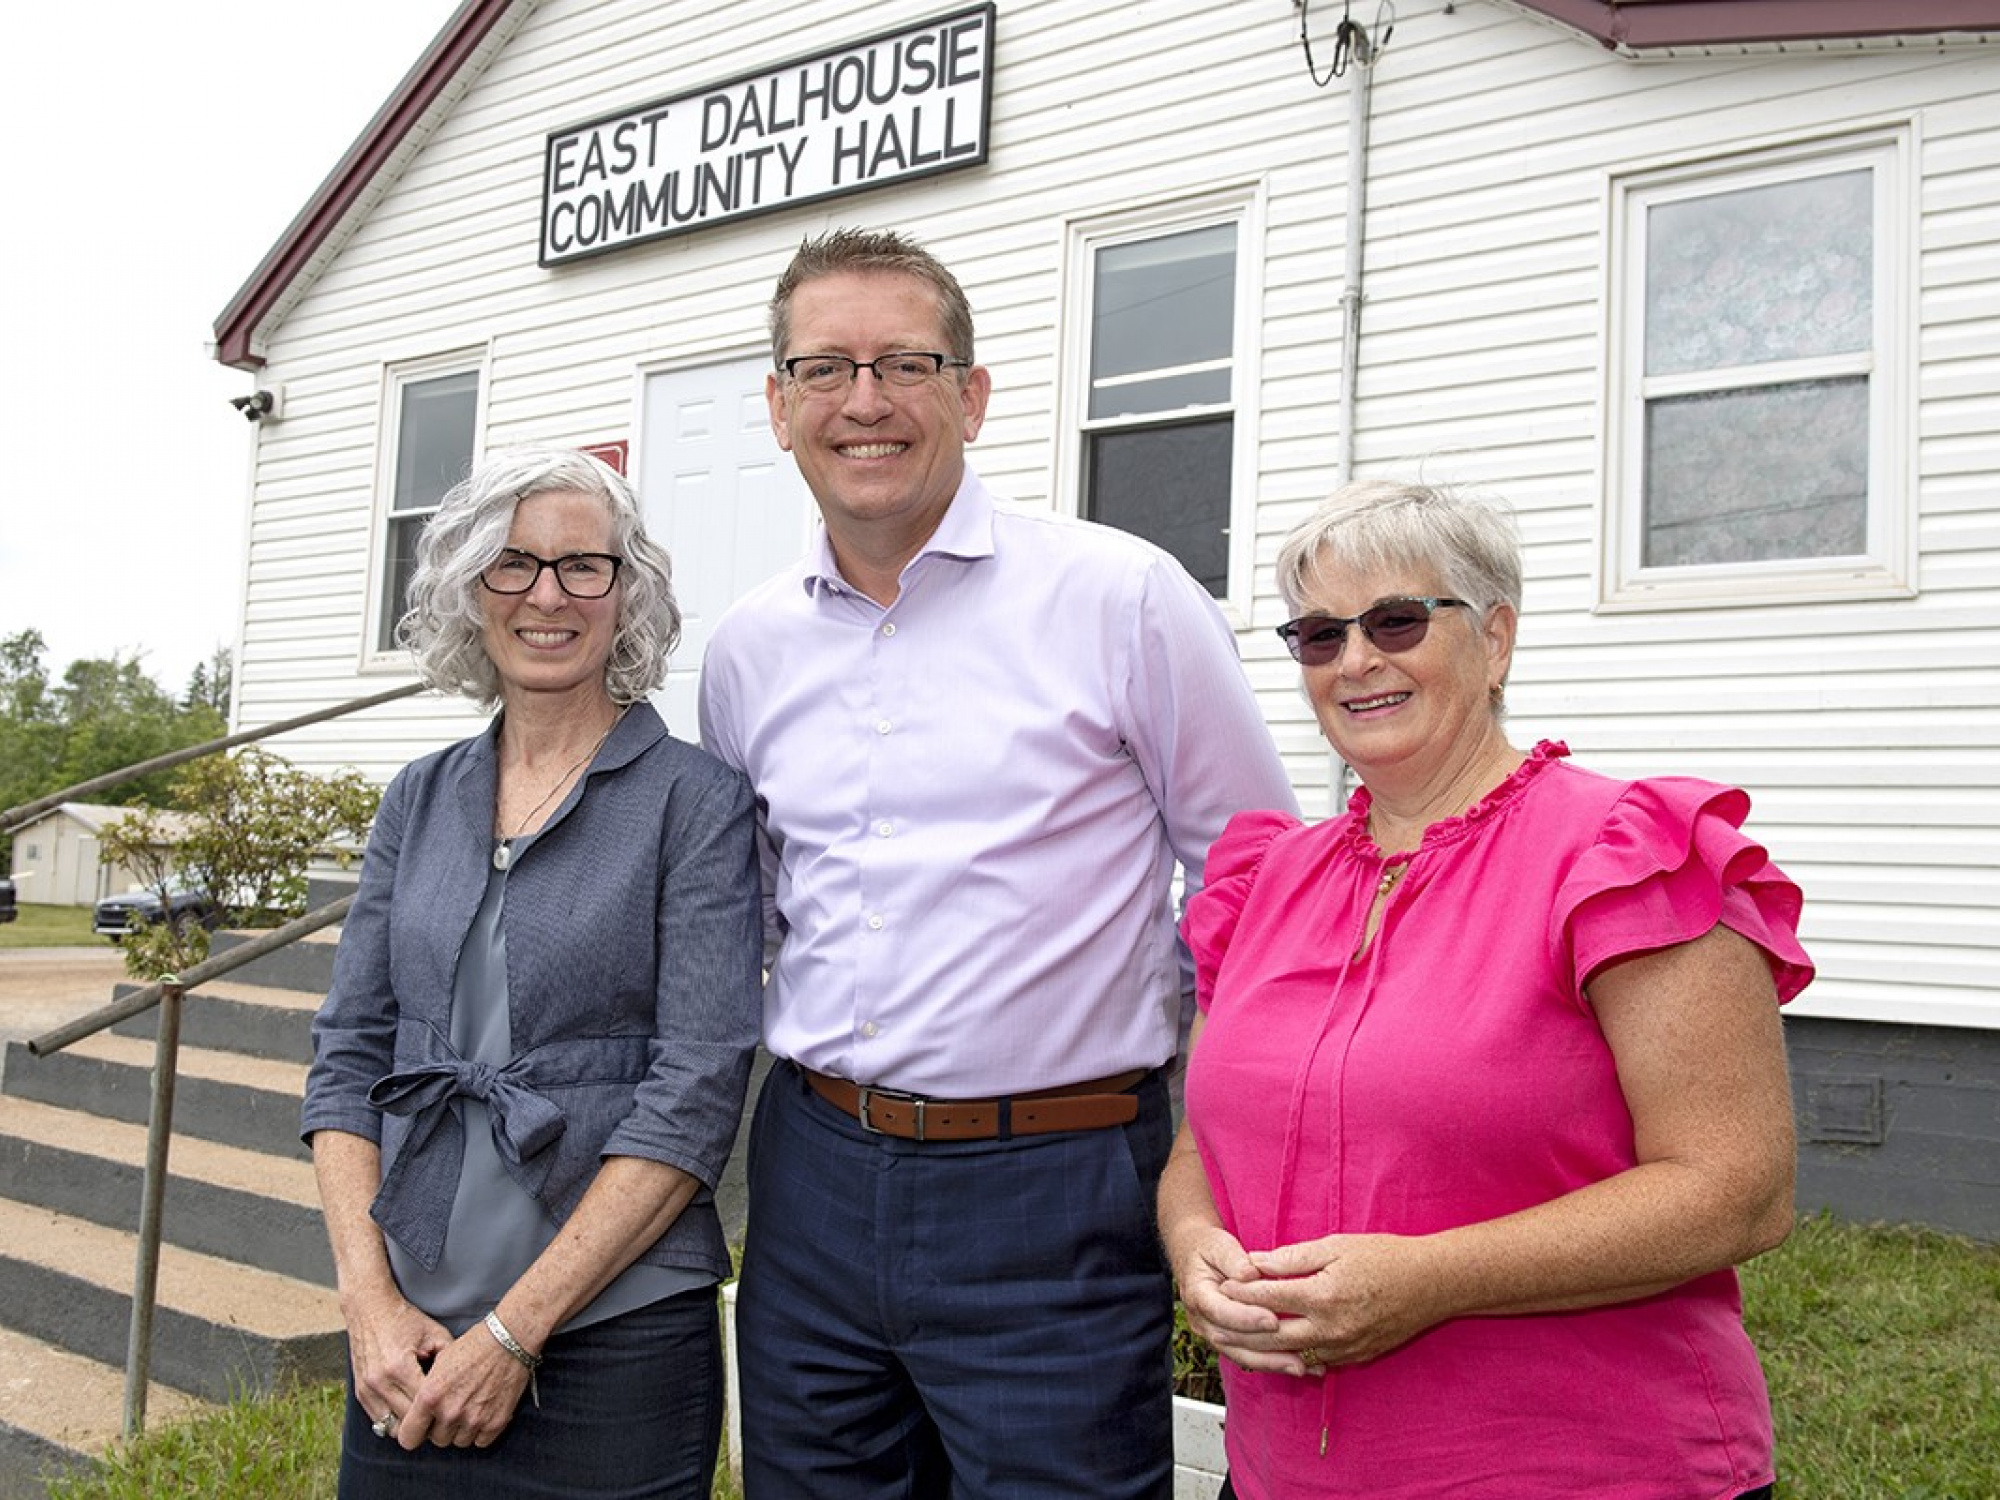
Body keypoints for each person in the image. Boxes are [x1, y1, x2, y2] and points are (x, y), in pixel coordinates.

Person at [697, 227, 1298, 1500]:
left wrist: (1222, 1135)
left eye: (903, 363)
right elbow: (749, 912)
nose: (863, 401)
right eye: (823, 369)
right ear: (777, 405)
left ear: (969, 394)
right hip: (809, 1171)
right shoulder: (747, 651)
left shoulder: (1122, 599)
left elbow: (1255, 884)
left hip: (1054, 1185)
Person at [1158, 478, 1814, 1500]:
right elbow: (1199, 1150)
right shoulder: (1265, 882)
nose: (1356, 661)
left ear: (1494, 638)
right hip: (1281, 1475)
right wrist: (1194, 1249)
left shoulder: (1622, 856)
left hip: (1581, 1470)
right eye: (1319, 636)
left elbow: (1736, 1193)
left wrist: (1429, 1280)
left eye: (1395, 621)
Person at [301, 445, 763, 1498]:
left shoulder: (693, 802)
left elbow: (693, 1093)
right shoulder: (417, 800)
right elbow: (346, 1059)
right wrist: (368, 1304)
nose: (545, 596)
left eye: (581, 567)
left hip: (613, 1332)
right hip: (406, 1334)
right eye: (511, 566)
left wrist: (515, 1333)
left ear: (626, 593)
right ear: (471, 592)